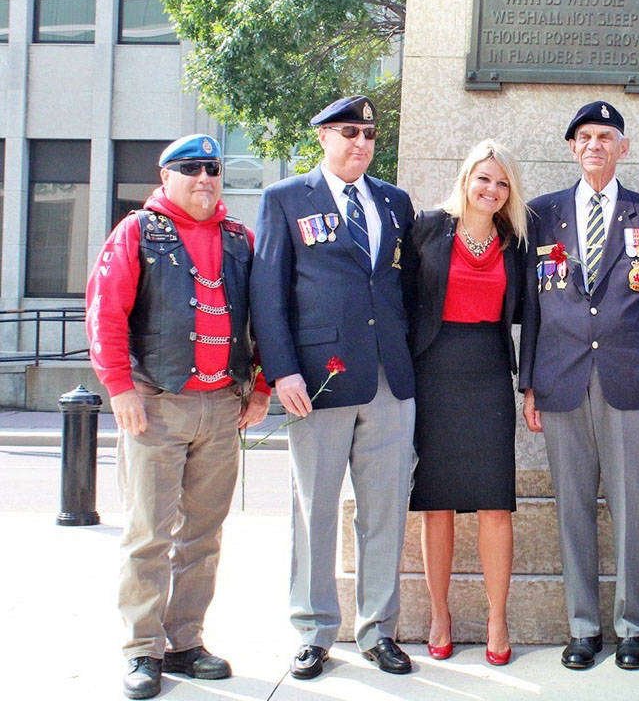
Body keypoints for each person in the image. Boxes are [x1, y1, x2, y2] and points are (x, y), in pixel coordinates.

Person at [85, 133, 271, 699]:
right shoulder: (137, 232)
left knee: (203, 536)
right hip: (156, 406)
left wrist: (260, 386)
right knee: (147, 534)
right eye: (190, 169)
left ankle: (185, 642)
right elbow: (105, 310)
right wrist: (119, 387)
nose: (204, 179)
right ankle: (142, 650)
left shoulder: (241, 239)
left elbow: (268, 317)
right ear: (165, 177)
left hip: (222, 408)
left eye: (212, 169)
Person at [250, 95, 416, 679]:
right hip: (317, 382)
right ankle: (314, 630)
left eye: (369, 133)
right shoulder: (286, 199)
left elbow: (405, 291)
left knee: (385, 513)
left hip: (390, 382)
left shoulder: (395, 202)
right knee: (314, 508)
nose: (361, 143)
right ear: (321, 136)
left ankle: (378, 629)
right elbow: (267, 293)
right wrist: (281, 370)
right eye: (348, 132)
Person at [519, 100, 639, 671]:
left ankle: (631, 628)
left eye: (605, 136)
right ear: (571, 148)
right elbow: (534, 309)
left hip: (631, 381)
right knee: (572, 508)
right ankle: (584, 628)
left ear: (623, 147)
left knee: (633, 505)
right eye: (584, 136)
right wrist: (529, 382)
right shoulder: (541, 215)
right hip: (561, 381)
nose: (594, 145)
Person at [402, 139, 528, 666]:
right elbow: (403, 298)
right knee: (438, 502)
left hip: (488, 370)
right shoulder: (428, 228)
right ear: (466, 178)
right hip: (434, 367)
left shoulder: (516, 241)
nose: (492, 191)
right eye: (484, 179)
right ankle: (440, 612)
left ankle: (498, 618)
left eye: (502, 183)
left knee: (496, 502)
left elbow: (535, 316)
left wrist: (531, 384)